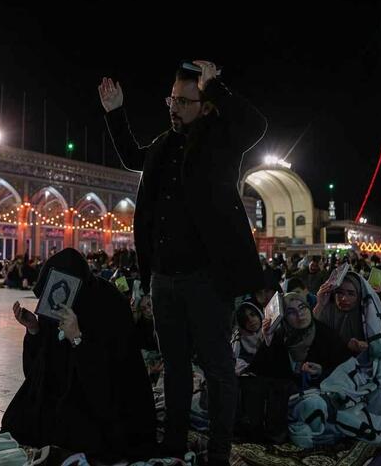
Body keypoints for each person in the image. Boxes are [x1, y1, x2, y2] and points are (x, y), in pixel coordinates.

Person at [99, 60, 267, 463]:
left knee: (217, 367)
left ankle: (218, 453)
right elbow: (131, 156)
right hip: (164, 277)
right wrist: (115, 112)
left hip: (206, 278)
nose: (174, 108)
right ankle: (173, 444)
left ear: (204, 105)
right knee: (174, 366)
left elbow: (255, 125)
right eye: (171, 99)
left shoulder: (220, 140)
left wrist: (217, 87)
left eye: (184, 101)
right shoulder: (163, 143)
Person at [1, 249, 156, 462]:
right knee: (17, 421)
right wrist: (34, 330)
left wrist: (77, 338)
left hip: (105, 404)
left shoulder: (109, 304)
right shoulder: (57, 302)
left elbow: (109, 379)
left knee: (77, 435)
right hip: (65, 391)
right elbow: (39, 371)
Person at [290, 272, 381, 447]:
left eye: (350, 293)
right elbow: (309, 334)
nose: (343, 299)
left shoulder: (366, 315)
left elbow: (380, 353)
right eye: (339, 293)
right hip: (325, 369)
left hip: (357, 372)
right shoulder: (327, 310)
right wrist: (320, 304)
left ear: (359, 295)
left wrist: (366, 349)